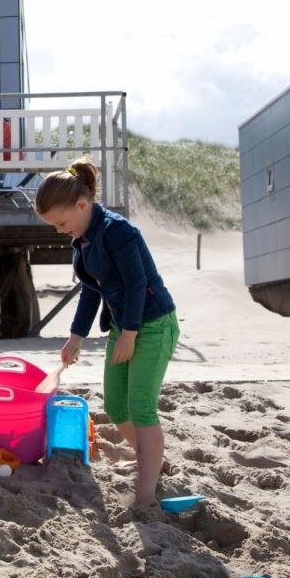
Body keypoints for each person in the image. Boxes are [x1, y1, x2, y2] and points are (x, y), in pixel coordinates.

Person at [35, 157, 178, 508]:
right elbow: (91, 289)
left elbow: (136, 282)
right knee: (116, 406)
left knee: (141, 407)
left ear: (82, 205)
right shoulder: (82, 238)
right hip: (122, 325)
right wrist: (76, 336)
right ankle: (151, 459)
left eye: (61, 221)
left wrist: (130, 334)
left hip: (153, 324)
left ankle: (145, 495)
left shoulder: (118, 231)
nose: (59, 229)